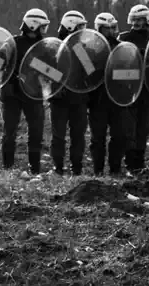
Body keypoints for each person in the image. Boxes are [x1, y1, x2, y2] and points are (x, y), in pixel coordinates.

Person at [1, 8, 49, 174]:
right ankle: (7, 168)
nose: (44, 29)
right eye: (42, 26)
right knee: (9, 132)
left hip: (34, 94)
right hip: (12, 94)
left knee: (36, 133)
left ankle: (34, 169)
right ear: (33, 25)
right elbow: (0, 62)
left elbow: (51, 71)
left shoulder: (45, 46)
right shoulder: (12, 43)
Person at [88, 13, 131, 175]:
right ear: (99, 29)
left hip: (118, 98)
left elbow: (129, 70)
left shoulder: (123, 48)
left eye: (113, 28)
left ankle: (115, 169)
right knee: (97, 138)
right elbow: (87, 74)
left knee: (119, 136)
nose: (111, 31)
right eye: (107, 28)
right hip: (97, 100)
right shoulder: (89, 49)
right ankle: (98, 171)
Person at [49, 11, 90, 175]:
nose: (83, 30)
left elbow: (89, 71)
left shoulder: (81, 48)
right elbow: (43, 69)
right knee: (58, 136)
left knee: (78, 136)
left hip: (78, 99)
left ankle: (76, 168)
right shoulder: (53, 47)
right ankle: (58, 168)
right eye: (80, 27)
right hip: (59, 100)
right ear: (70, 27)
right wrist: (57, 86)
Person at [118, 5, 149, 172]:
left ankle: (140, 161)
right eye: (135, 19)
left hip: (147, 88)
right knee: (129, 127)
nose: (138, 22)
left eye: (141, 19)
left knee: (144, 126)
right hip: (129, 88)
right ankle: (130, 161)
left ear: (147, 20)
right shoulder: (123, 38)